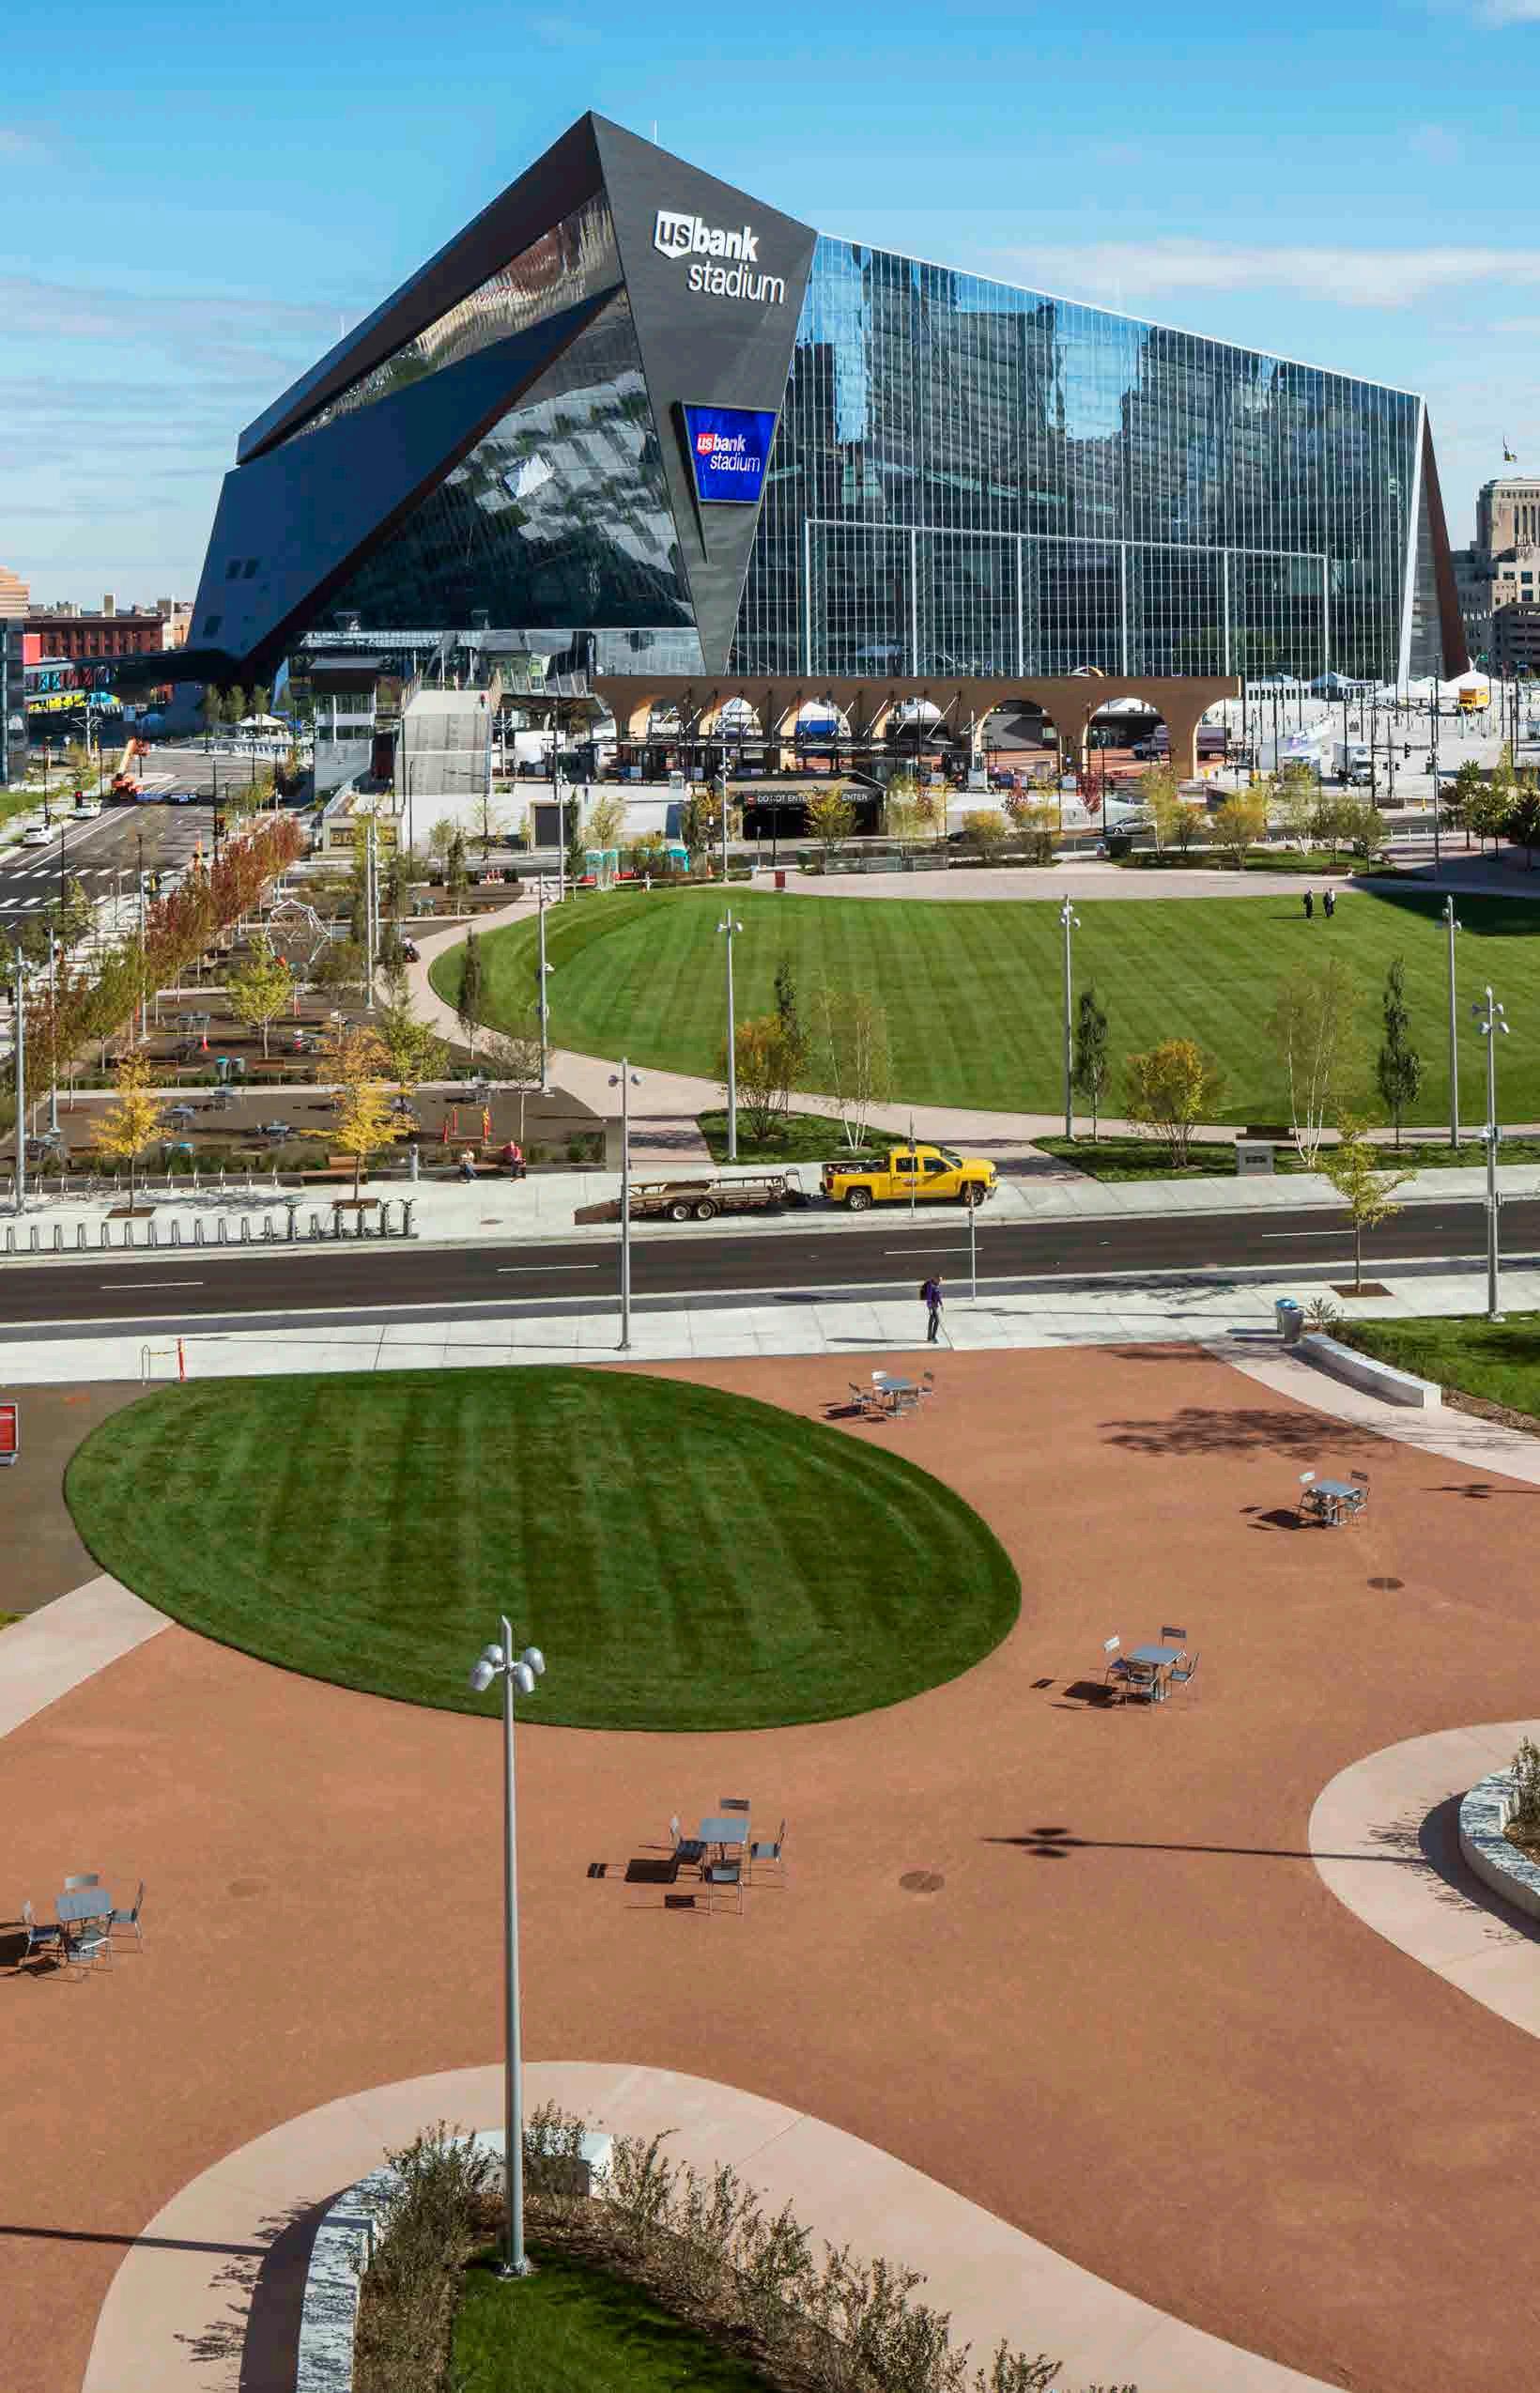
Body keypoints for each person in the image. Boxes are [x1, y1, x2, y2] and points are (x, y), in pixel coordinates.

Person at [921, 1274, 943, 1345]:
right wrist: (929, 1308)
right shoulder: (930, 1285)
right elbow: (929, 1297)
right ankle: (933, 1337)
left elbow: (938, 1295)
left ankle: (929, 1337)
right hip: (932, 1305)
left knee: (931, 1320)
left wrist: (941, 1304)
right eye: (939, 1280)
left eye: (941, 1280)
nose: (940, 1282)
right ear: (935, 1279)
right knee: (937, 1320)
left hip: (935, 1305)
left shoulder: (936, 1285)